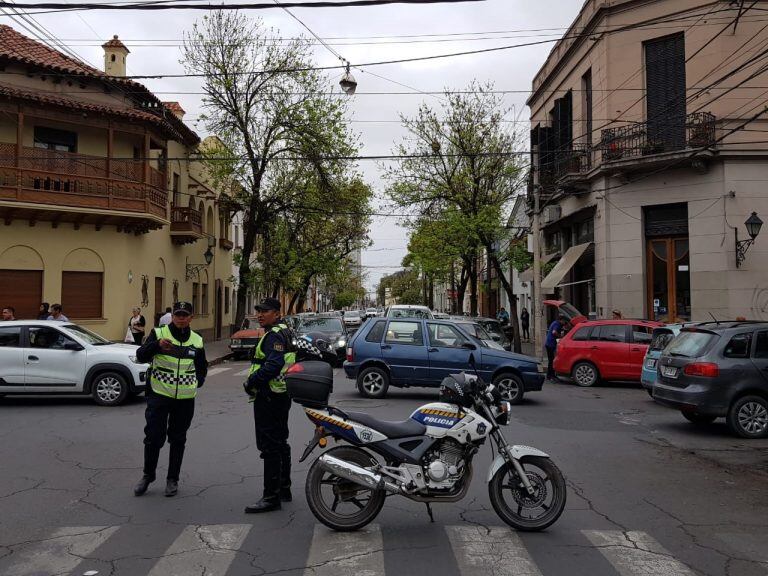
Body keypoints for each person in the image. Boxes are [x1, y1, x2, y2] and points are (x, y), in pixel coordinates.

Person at [133, 301, 208, 498]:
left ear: (191, 317)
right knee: (153, 437)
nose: (181, 318)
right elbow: (140, 356)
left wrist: (198, 381)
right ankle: (148, 476)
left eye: (185, 315)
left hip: (184, 398)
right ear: (172, 316)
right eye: (178, 314)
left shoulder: (197, 339)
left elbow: (202, 366)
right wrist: (156, 346)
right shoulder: (159, 334)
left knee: (178, 438)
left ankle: (172, 479)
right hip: (159, 394)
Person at [243, 297, 296, 514]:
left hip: (269, 395)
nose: (259, 315)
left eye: (264, 311)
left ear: (276, 313)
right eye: (258, 311)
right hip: (281, 394)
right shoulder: (284, 330)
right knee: (281, 441)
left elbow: (274, 365)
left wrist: (251, 381)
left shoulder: (274, 334)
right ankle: (284, 488)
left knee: (269, 446)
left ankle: (271, 496)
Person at [545, 314, 566, 381]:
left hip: (549, 344)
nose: (564, 322)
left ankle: (550, 375)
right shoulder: (557, 324)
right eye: (564, 321)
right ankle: (551, 376)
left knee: (551, 360)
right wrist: (560, 336)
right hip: (551, 344)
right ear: (561, 320)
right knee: (552, 361)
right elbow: (554, 332)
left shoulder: (555, 323)